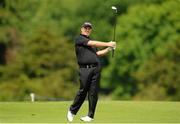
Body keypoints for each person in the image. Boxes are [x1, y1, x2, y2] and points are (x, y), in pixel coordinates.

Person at [67, 22, 116, 122]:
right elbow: (92, 43)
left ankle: (90, 115)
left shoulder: (90, 41)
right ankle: (72, 111)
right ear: (81, 29)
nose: (87, 29)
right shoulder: (79, 39)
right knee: (83, 91)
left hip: (96, 69)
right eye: (85, 28)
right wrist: (108, 43)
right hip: (85, 69)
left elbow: (98, 53)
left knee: (93, 93)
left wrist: (109, 48)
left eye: (89, 28)